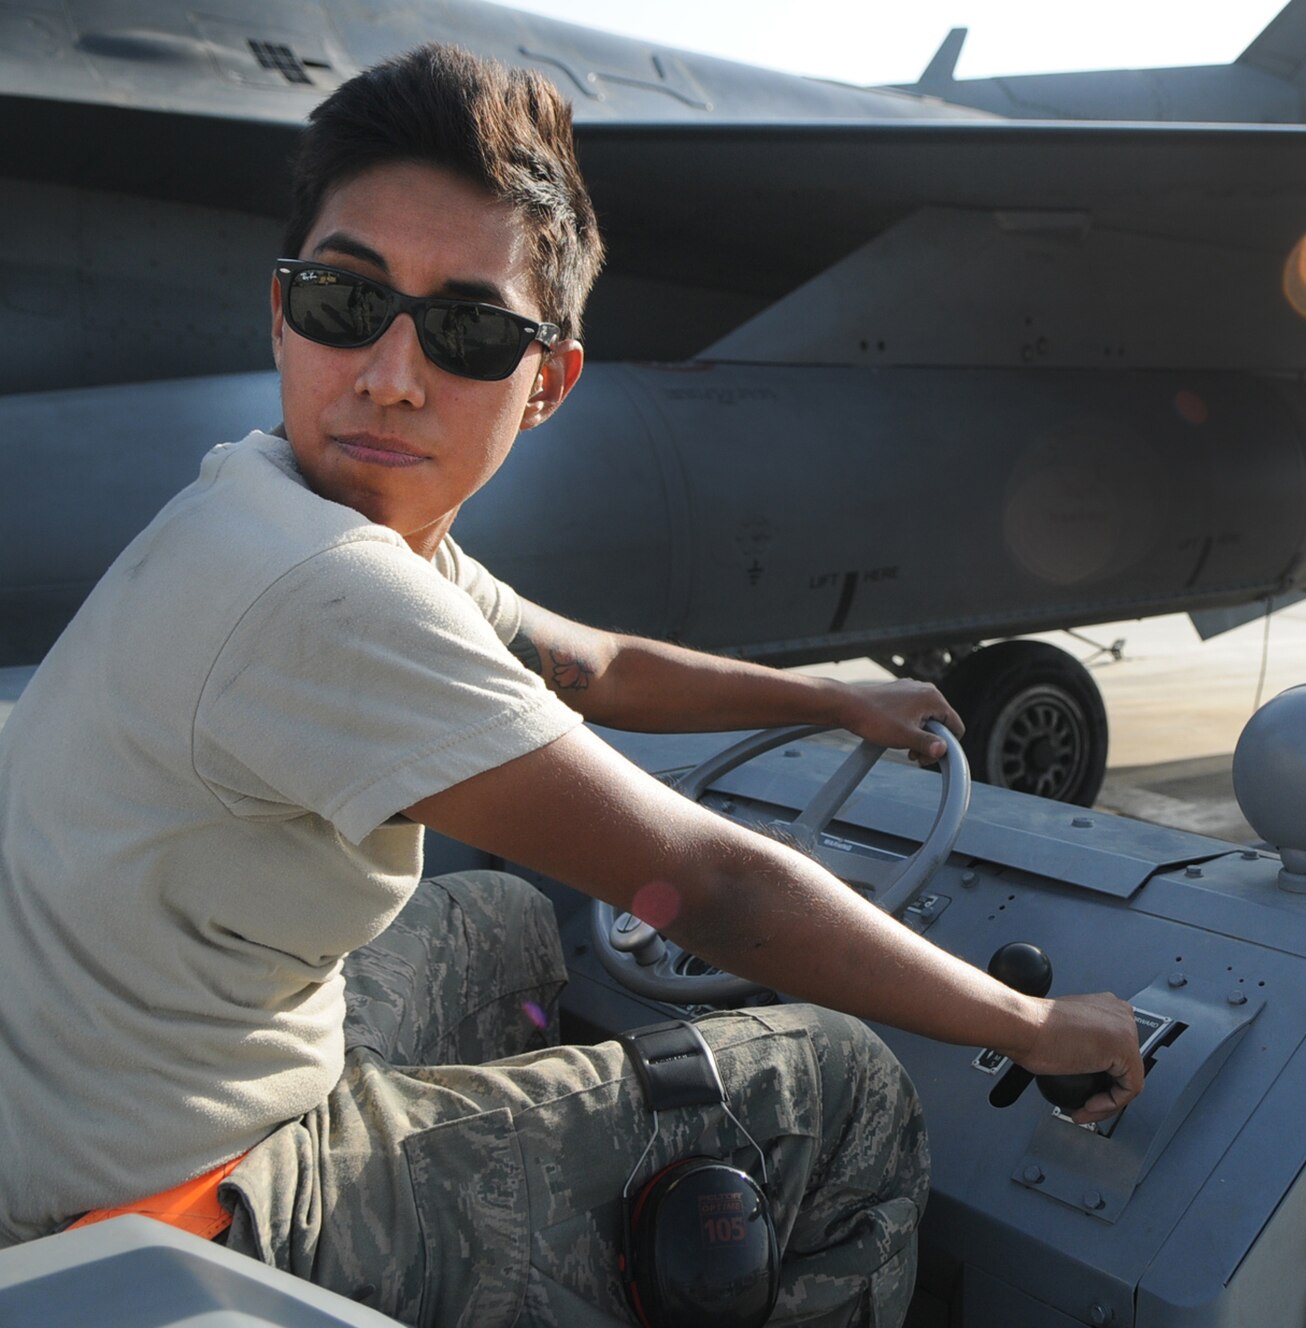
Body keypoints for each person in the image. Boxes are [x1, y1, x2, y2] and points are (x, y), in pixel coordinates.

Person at [0, 43, 1144, 1325]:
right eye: (342, 299)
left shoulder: (270, 505)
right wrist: (1030, 1020)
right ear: (280, 309)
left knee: (506, 923)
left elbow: (584, 663)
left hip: (78, 1127)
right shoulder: (324, 588)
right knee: (843, 1087)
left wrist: (825, 698)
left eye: (468, 331)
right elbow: (709, 887)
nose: (388, 371)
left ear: (547, 380)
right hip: (167, 1220)